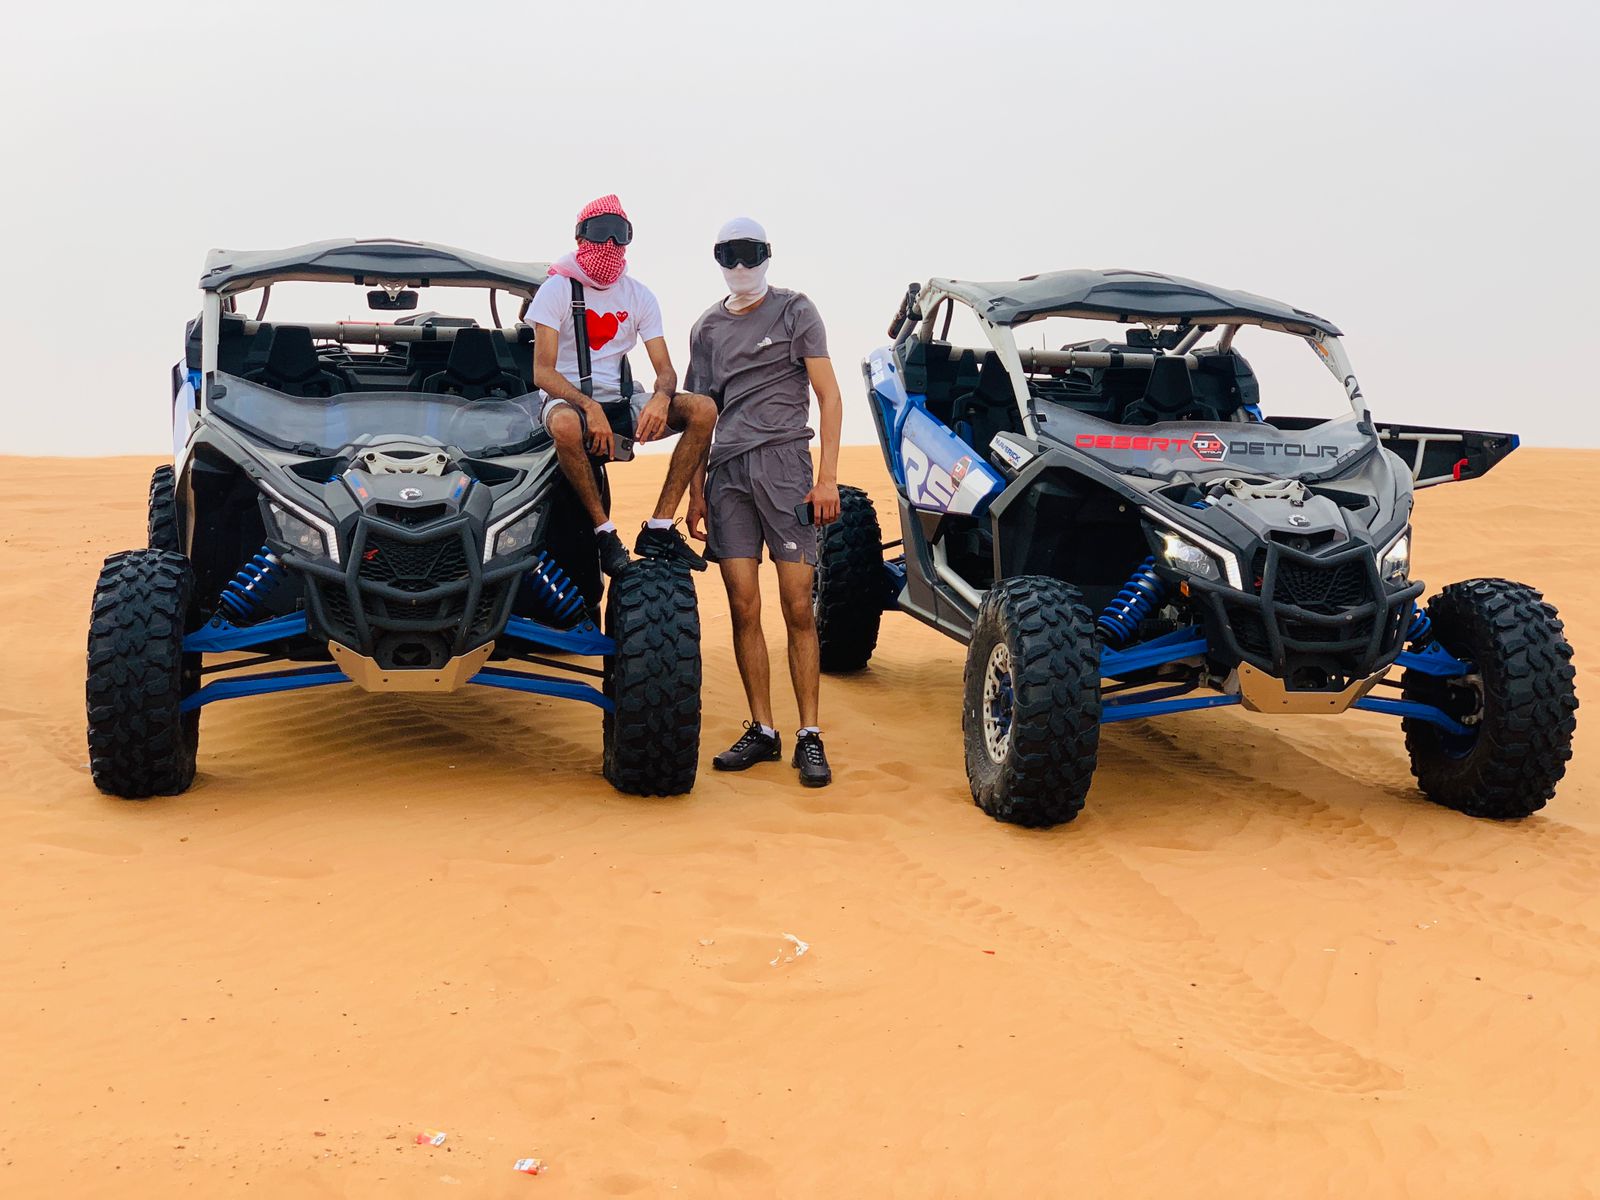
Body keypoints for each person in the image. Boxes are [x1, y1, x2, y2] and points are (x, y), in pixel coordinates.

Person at [684, 217, 842, 787]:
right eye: (731, 254)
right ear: (718, 257)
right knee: (742, 604)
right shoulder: (704, 328)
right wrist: (696, 489)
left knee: (798, 605)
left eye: (750, 253)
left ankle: (810, 735)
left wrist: (827, 478)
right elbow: (700, 416)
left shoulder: (796, 309)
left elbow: (828, 396)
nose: (742, 264)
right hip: (728, 474)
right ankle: (764, 729)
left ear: (768, 254)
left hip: (786, 467)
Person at [527, 194, 714, 577]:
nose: (610, 245)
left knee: (703, 409)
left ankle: (660, 528)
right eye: (600, 232)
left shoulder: (639, 295)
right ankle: (604, 533)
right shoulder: (557, 290)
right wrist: (589, 407)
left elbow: (665, 369)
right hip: (567, 405)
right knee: (565, 424)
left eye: (620, 234)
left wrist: (661, 398)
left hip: (621, 403)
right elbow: (542, 373)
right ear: (581, 237)